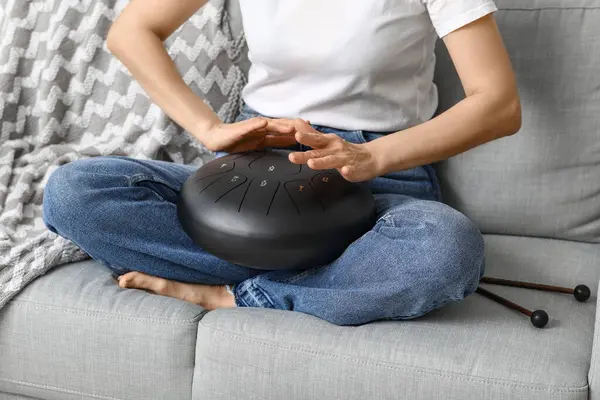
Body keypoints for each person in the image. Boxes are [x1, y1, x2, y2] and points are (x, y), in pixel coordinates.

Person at [42, 0, 521, 326]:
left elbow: (499, 104)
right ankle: (328, 282)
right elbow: (132, 31)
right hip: (257, 168)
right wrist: (209, 129)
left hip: (380, 175)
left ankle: (238, 294)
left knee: (447, 249)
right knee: (75, 192)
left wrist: (370, 156)